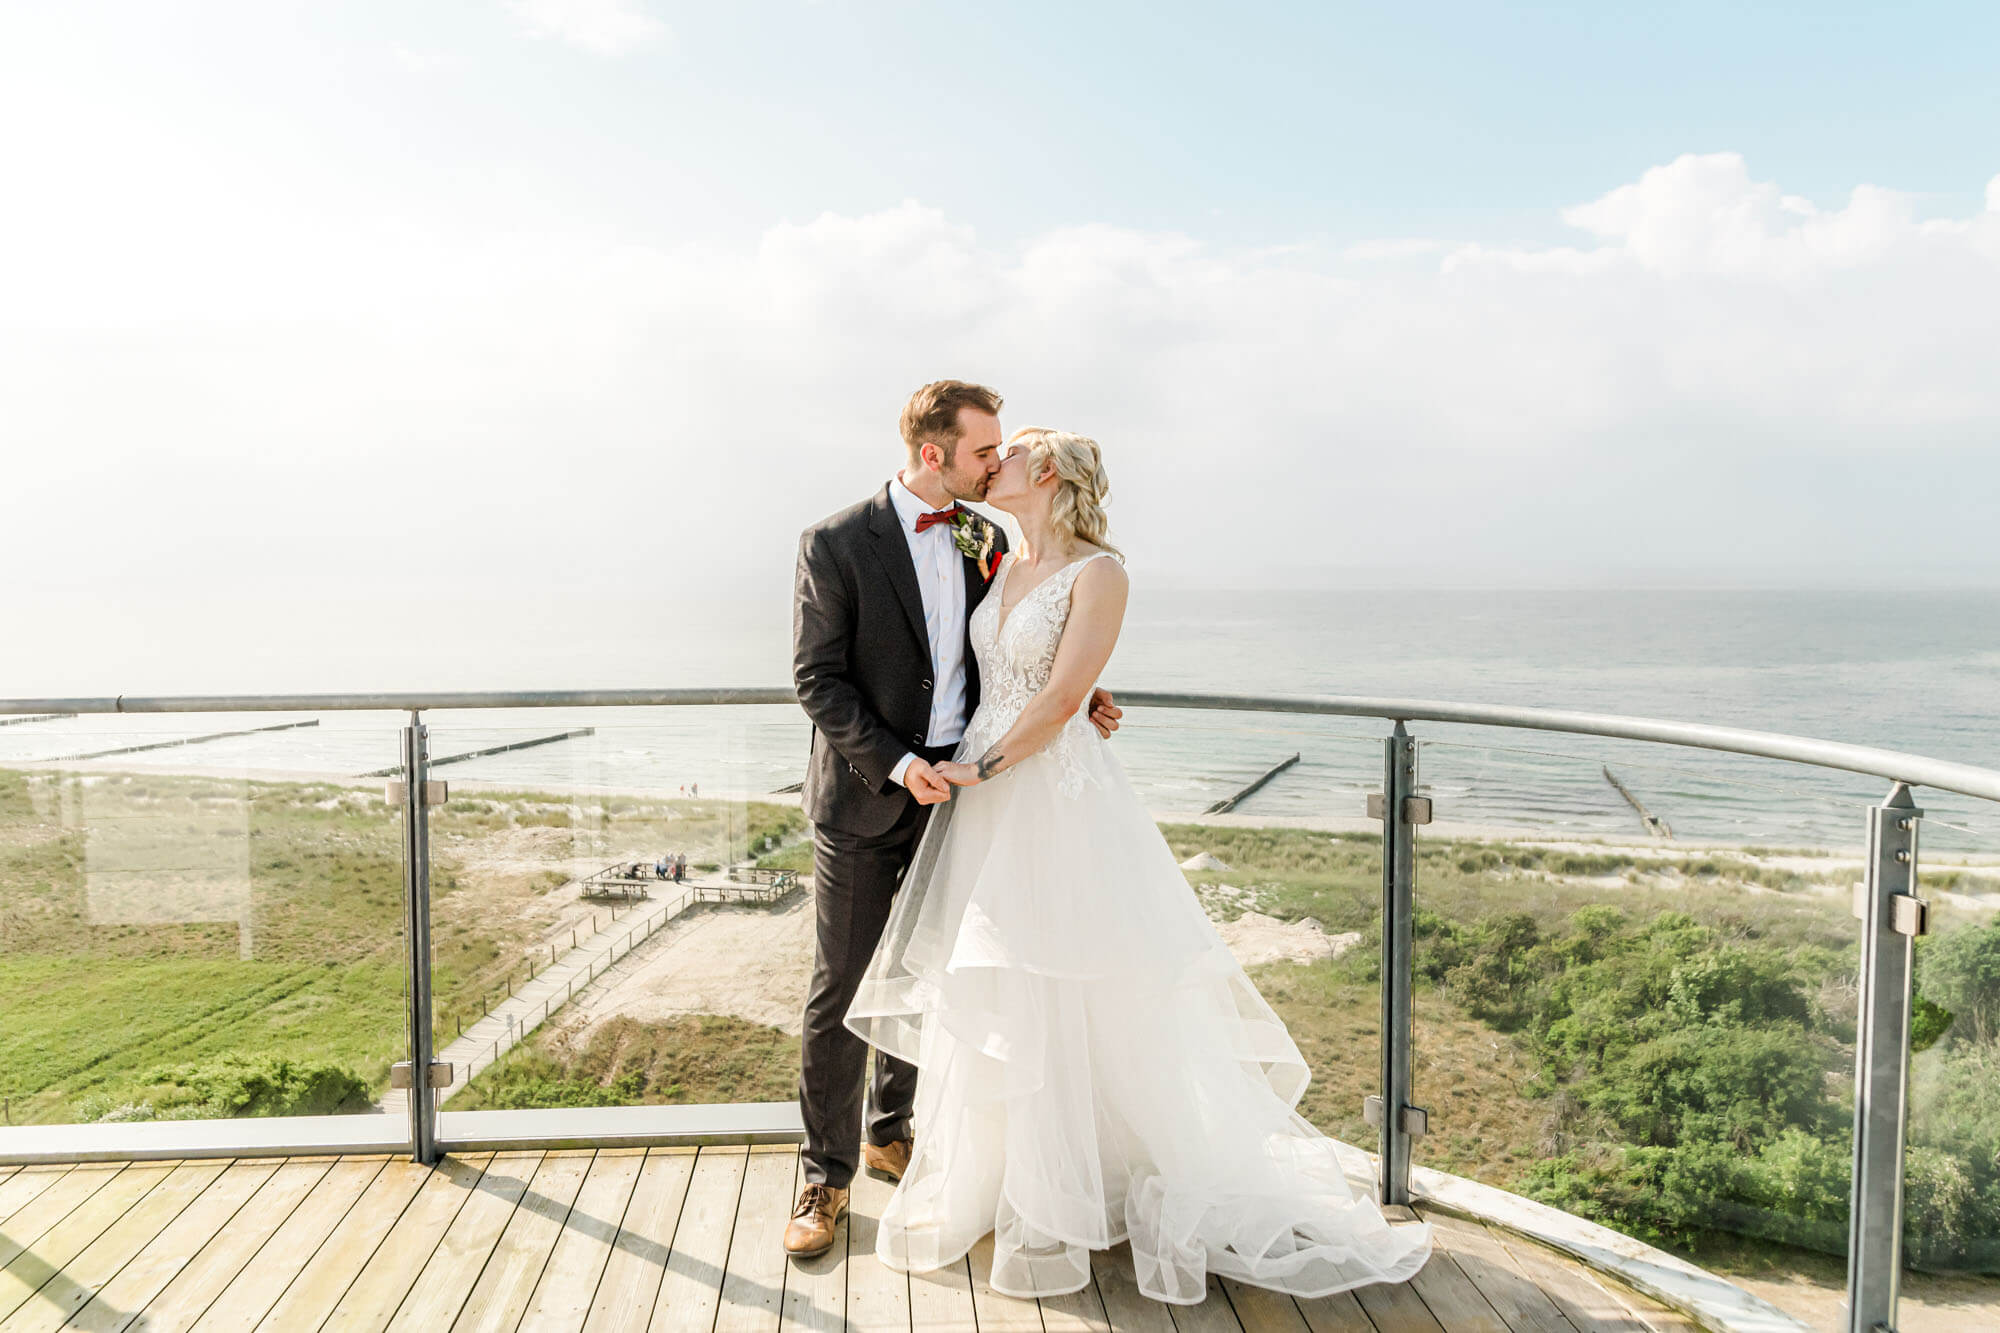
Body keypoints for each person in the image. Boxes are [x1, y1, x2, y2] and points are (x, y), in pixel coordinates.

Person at [843, 429, 1432, 1303]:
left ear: (1044, 474)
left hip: (1048, 795)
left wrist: (991, 763)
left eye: (1004, 456)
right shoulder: (1000, 557)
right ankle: (1012, 1178)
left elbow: (1056, 696)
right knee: (1004, 986)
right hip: (987, 798)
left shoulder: (1102, 571)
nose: (988, 465)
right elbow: (1002, 667)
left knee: (1073, 980)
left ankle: (1084, 1186)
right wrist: (1007, 744)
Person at [785, 381, 1123, 1258]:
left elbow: (1019, 642)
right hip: (870, 795)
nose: (994, 461)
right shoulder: (834, 541)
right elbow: (817, 679)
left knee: (934, 971)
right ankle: (823, 1178)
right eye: (983, 450)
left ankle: (890, 1130)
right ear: (933, 454)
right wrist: (901, 765)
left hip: (972, 795)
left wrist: (1078, 694)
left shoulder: (988, 537)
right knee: (844, 985)